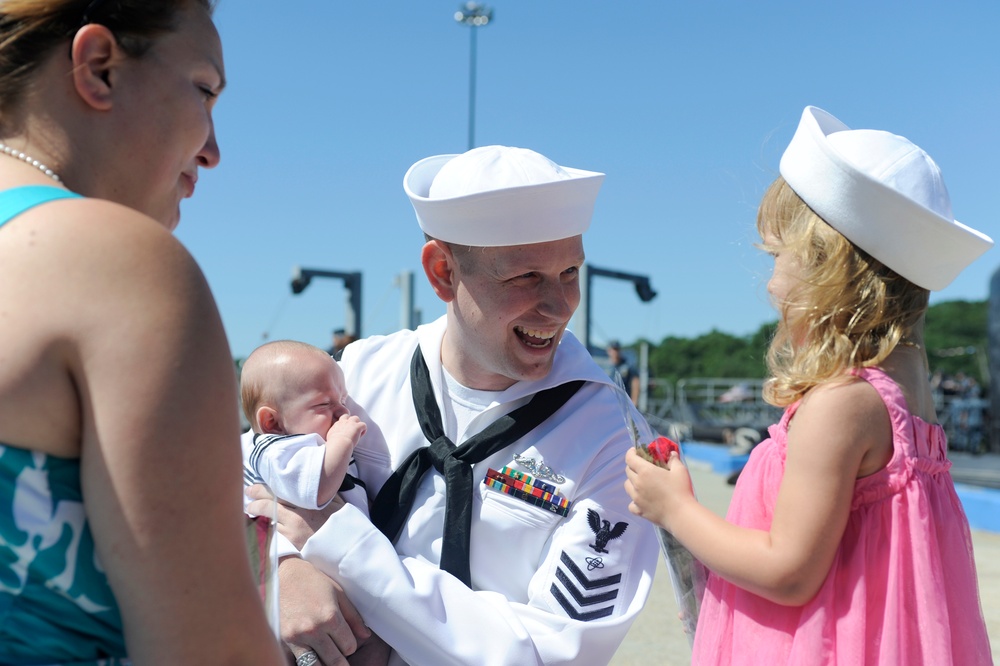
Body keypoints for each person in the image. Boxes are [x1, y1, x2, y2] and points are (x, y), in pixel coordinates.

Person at [249, 145, 659, 665]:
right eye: (526, 277)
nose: (559, 306)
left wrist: (343, 548)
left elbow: (551, 653)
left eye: (571, 272)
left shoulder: (616, 441)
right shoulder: (360, 375)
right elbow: (253, 480)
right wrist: (285, 567)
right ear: (443, 271)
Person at [624, 106, 994, 664]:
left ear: (831, 268)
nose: (770, 282)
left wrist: (675, 510)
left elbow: (788, 570)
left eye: (776, 256)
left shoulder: (841, 406)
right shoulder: (903, 386)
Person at [0, 2, 285, 663]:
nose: (213, 151)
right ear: (98, 67)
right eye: (204, 90)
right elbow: (213, 653)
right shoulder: (118, 264)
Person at [240, 340, 367, 510]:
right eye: (323, 404)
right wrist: (343, 440)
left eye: (343, 400)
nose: (344, 412)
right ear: (273, 423)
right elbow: (319, 491)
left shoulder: (315, 447)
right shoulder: (276, 453)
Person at [606, 340, 640, 406]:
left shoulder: (627, 365)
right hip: (608, 401)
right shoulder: (604, 366)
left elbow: (635, 382)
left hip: (624, 401)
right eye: (613, 349)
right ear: (608, 351)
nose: (615, 352)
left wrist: (634, 401)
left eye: (617, 349)